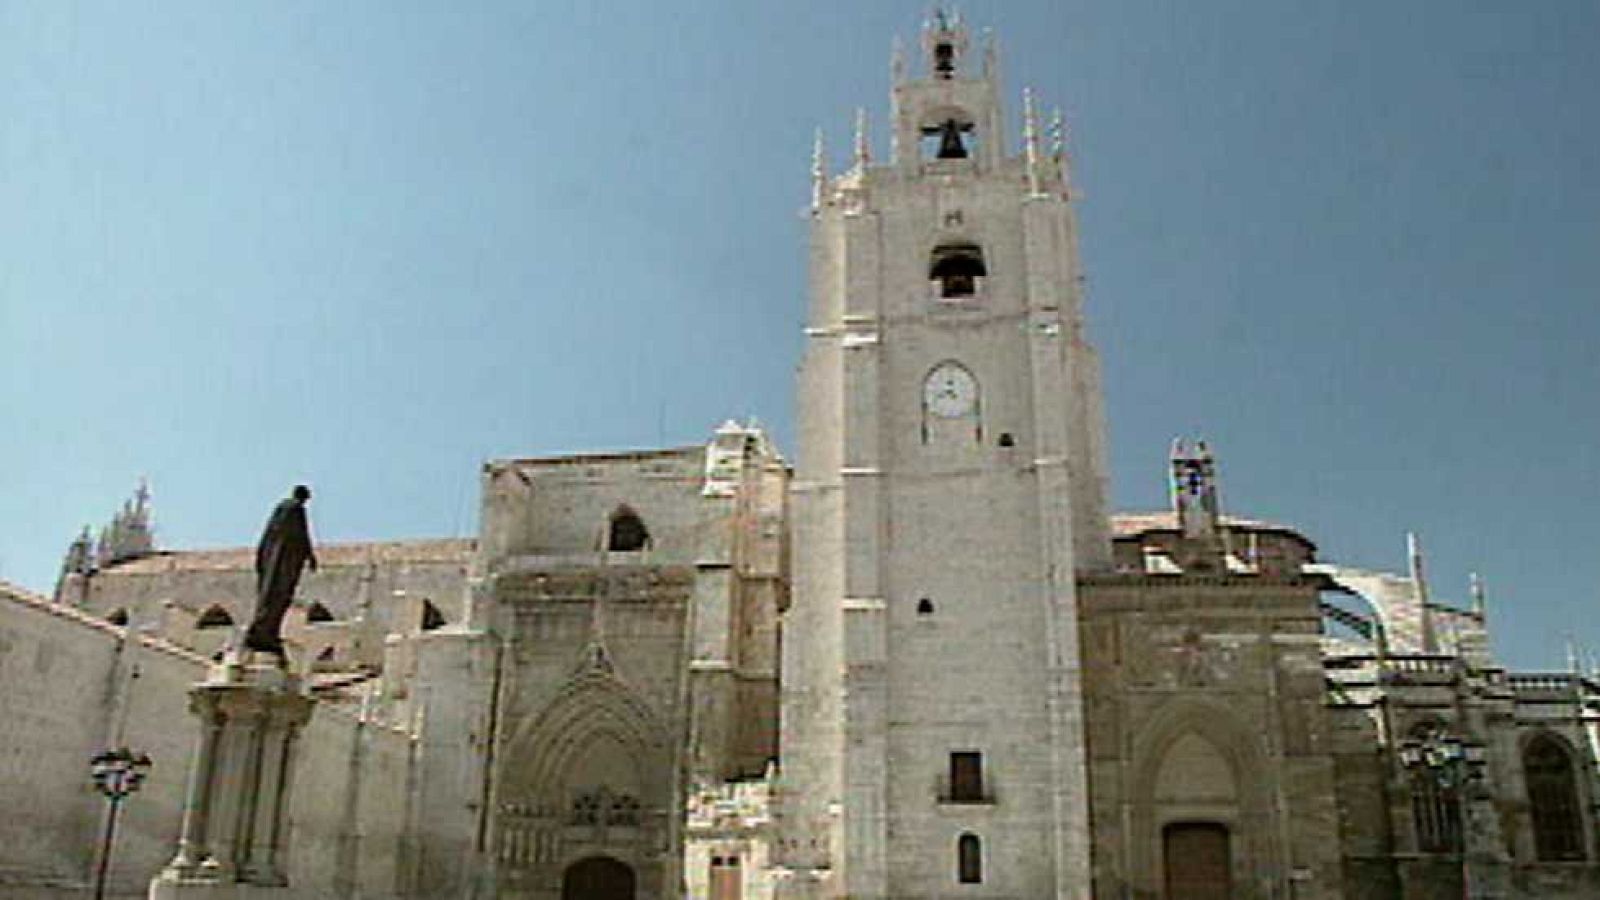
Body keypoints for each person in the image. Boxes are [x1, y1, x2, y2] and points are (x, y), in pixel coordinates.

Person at [244, 485, 318, 655]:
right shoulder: (295, 509)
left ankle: (265, 632)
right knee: (277, 597)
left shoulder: (281, 509)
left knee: (271, 597)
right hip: (282, 563)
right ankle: (264, 633)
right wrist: (310, 556)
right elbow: (301, 535)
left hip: (274, 560)